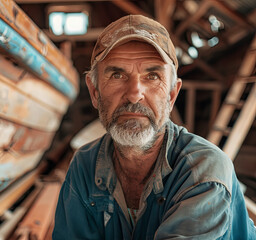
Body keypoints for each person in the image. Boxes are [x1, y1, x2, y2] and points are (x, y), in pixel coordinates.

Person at [52, 14, 256, 239]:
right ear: (94, 92)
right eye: (117, 74)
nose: (134, 94)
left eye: (152, 76)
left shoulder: (204, 170)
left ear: (171, 95)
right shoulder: (85, 164)